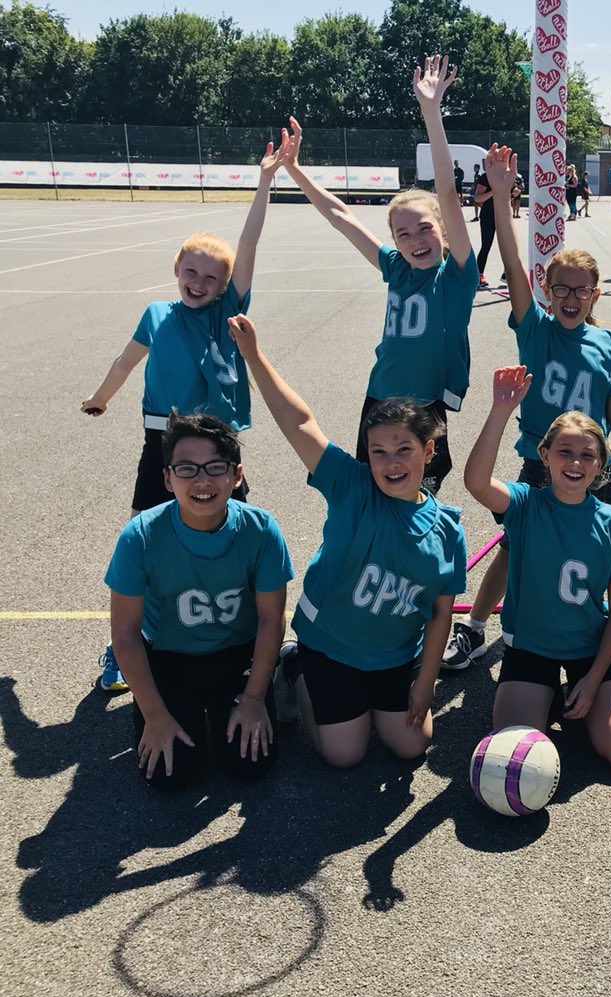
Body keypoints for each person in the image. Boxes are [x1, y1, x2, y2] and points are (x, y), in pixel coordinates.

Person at [442, 144, 611, 670]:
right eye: (561, 289)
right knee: (513, 545)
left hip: (596, 463)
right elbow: (510, 261)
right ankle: (475, 628)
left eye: (581, 290)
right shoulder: (535, 329)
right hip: (540, 459)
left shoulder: (607, 341)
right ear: (546, 291)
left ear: (596, 294)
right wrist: (501, 195)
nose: (571, 298)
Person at [82, 137, 286, 692]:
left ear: (224, 285)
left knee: (239, 532)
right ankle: (123, 646)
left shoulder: (227, 311)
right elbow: (126, 361)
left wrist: (265, 180)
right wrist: (101, 397)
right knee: (143, 536)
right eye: (191, 272)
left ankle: (251, 633)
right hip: (162, 440)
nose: (200, 283)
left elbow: (248, 244)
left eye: (211, 278)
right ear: (177, 268)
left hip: (217, 443)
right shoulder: (156, 313)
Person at [227, 314, 467, 769]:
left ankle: (371, 701)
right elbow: (299, 422)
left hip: (395, 655)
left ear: (428, 451)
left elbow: (440, 612)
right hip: (332, 644)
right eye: (379, 452)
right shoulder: (350, 485)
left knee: (412, 745)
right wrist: (253, 356)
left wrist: (426, 683)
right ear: (366, 455)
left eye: (404, 449)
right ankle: (295, 666)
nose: (391, 462)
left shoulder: (448, 529)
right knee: (345, 754)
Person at [278, 54, 476, 494]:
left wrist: (431, 110)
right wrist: (295, 171)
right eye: (403, 234)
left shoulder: (457, 275)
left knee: (418, 494)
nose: (415, 239)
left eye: (424, 228)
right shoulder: (396, 268)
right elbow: (341, 216)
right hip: (379, 397)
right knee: (373, 490)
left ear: (443, 229)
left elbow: (446, 192)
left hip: (425, 404)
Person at [464, 366, 611, 769]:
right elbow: (476, 482)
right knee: (514, 760)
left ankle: (572, 694)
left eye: (587, 455)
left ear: (600, 464)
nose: (575, 462)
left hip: (589, 648)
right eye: (564, 452)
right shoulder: (525, 504)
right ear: (544, 455)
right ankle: (543, 695)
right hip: (532, 647)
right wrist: (500, 411)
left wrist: (593, 679)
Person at [105, 412, 294, 789]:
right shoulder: (139, 536)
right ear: (167, 478)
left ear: (236, 476)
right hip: (169, 657)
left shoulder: (261, 530)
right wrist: (155, 715)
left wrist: (254, 698)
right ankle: (173, 710)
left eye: (216, 467)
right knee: (169, 774)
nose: (202, 480)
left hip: (236, 654)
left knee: (250, 763)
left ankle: (286, 670)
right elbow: (125, 634)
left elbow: (271, 619)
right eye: (187, 468)